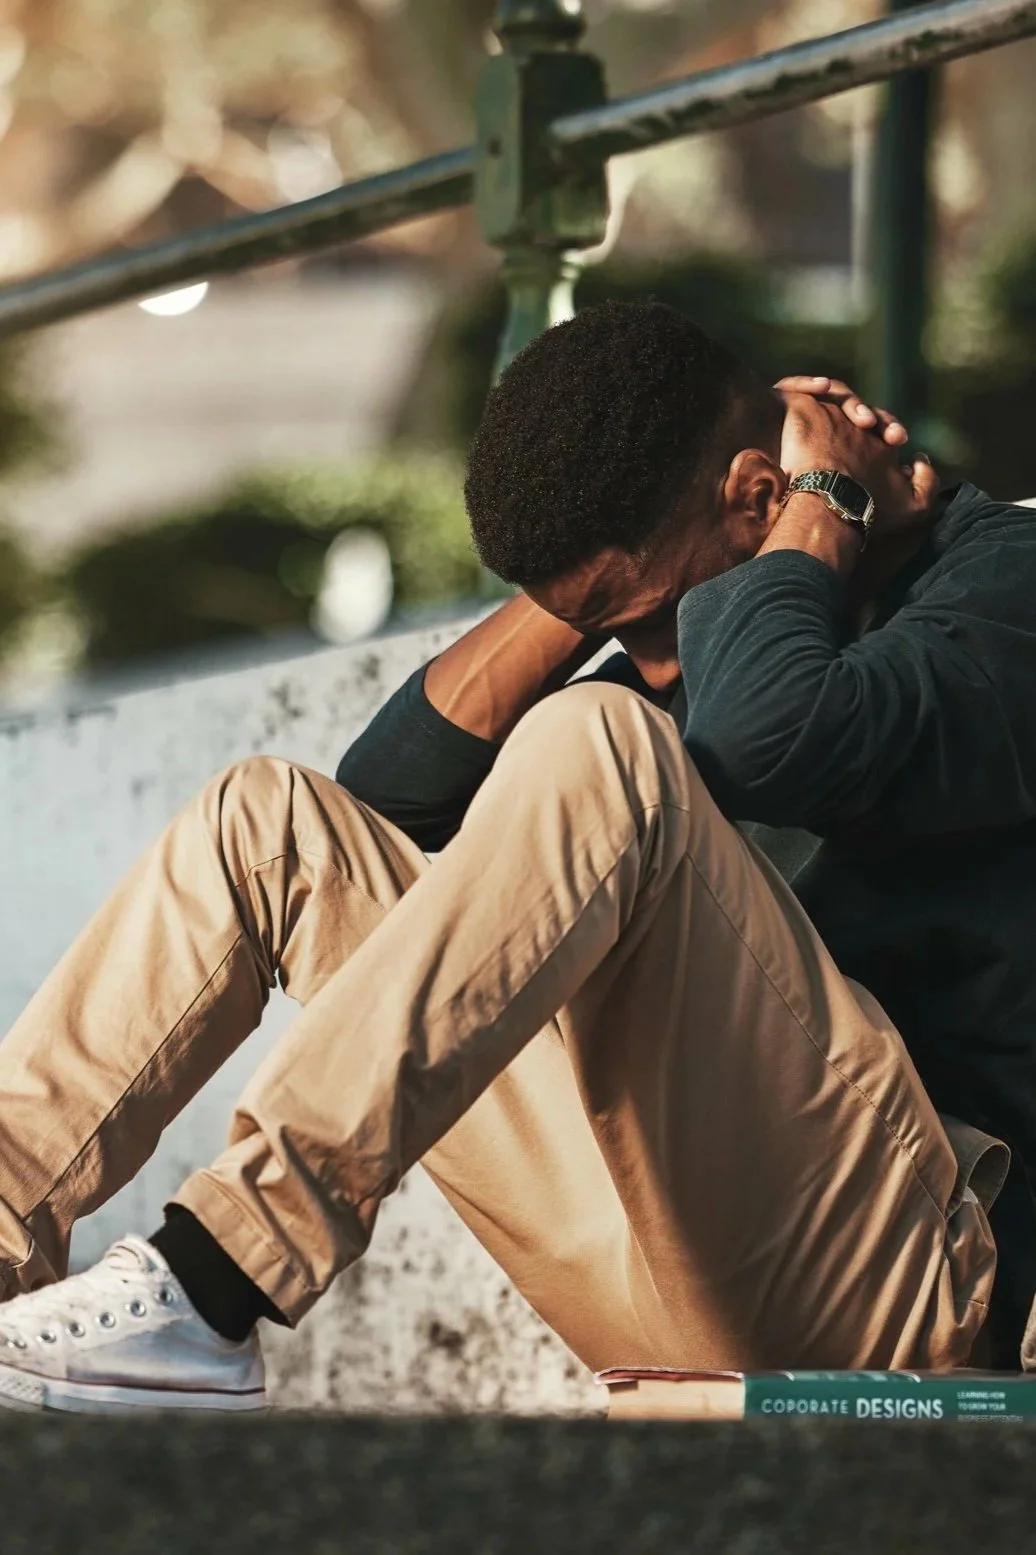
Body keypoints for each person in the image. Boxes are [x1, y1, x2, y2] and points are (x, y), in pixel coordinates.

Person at [0, 299, 1031, 1416]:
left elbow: (769, 734)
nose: (653, 659)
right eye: (617, 625)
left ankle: (213, 1281)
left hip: (913, 1285)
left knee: (595, 735)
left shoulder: (999, 585)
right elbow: (384, 797)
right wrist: (599, 582)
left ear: (757, 499)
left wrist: (819, 501)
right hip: (653, 1250)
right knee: (267, 823)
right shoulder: (698, 637)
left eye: (650, 617)